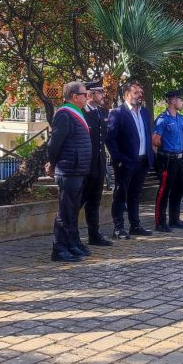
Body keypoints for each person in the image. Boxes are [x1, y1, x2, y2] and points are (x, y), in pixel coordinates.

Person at [46, 82, 93, 262]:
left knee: (73, 210)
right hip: (68, 169)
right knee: (65, 211)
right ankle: (59, 248)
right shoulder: (64, 114)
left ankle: (72, 243)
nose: (86, 97)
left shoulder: (78, 112)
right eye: (84, 94)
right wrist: (52, 163)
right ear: (74, 96)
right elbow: (54, 144)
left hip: (78, 169)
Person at [106, 80, 154, 239]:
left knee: (135, 194)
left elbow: (146, 135)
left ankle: (135, 225)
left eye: (141, 92)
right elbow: (110, 138)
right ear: (127, 95)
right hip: (125, 162)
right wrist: (118, 159)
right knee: (121, 194)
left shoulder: (145, 112)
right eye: (136, 92)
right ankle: (118, 228)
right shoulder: (118, 113)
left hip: (142, 160)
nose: (140, 95)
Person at [80, 81, 112, 247]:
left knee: (95, 201)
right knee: (79, 201)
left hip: (99, 163)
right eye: (99, 92)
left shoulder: (101, 112)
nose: (103, 95)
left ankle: (94, 234)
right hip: (86, 164)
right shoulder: (81, 113)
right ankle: (71, 237)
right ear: (90, 95)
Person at [153, 89, 183, 232]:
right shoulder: (163, 119)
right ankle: (160, 221)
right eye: (180, 100)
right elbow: (155, 140)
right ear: (173, 101)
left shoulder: (181, 119)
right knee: (164, 191)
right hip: (168, 159)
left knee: (179, 189)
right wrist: (167, 148)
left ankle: (174, 219)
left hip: (180, 159)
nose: (182, 102)